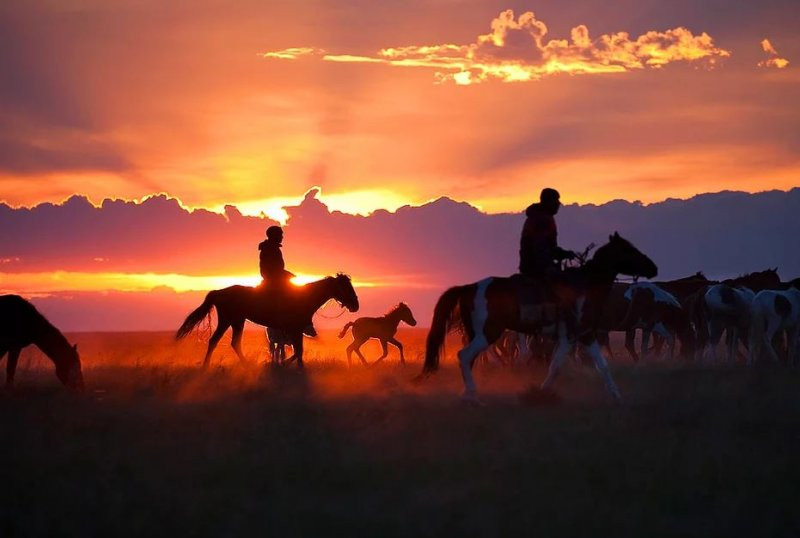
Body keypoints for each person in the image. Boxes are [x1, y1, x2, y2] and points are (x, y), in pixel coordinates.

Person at [518, 188, 576, 321]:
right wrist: (557, 258)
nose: (558, 204)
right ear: (548, 202)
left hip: (533, 262)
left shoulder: (542, 218)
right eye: (556, 201)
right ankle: (557, 321)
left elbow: (549, 247)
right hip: (535, 265)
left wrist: (563, 253)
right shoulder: (542, 220)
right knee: (564, 290)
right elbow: (540, 247)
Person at [258, 225, 317, 337]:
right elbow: (272, 269)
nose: (282, 237)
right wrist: (285, 274)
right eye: (280, 235)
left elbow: (277, 268)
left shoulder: (272, 248)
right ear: (274, 236)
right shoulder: (270, 249)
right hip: (273, 281)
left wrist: (286, 274)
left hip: (276, 279)